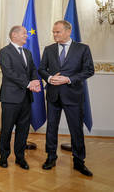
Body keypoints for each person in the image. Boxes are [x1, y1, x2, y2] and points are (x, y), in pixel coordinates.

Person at [39, 20, 94, 176]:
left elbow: (89, 70)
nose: (54, 34)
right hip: (53, 95)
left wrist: (68, 79)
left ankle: (78, 161)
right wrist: (49, 78)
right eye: (53, 32)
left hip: (73, 95)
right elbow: (42, 69)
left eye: (58, 32)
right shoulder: (49, 49)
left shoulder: (83, 49)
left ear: (68, 31)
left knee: (76, 130)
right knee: (51, 129)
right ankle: (50, 157)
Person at [0, 26, 40, 169]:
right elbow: (9, 73)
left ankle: (20, 157)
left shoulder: (27, 52)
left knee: (23, 130)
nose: (26, 36)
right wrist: (28, 84)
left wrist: (34, 81)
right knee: (7, 129)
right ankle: (4, 157)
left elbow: (33, 69)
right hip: (10, 98)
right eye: (24, 34)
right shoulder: (4, 51)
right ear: (14, 35)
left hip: (26, 98)